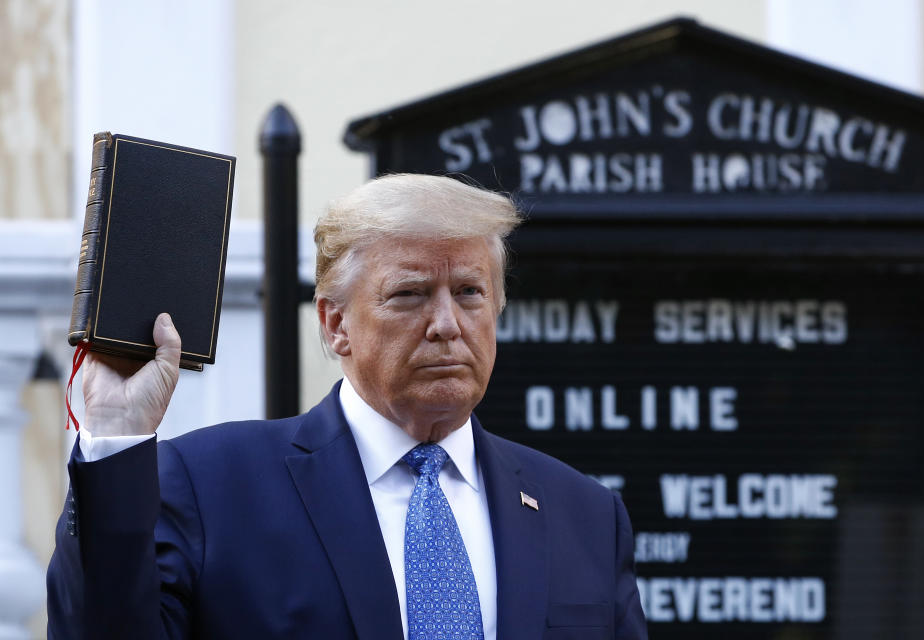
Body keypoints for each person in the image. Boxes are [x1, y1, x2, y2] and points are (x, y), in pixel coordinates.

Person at [47, 174, 648, 639]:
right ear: (337, 325)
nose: (447, 324)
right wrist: (118, 435)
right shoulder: (210, 488)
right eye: (409, 294)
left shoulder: (586, 515)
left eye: (469, 292)